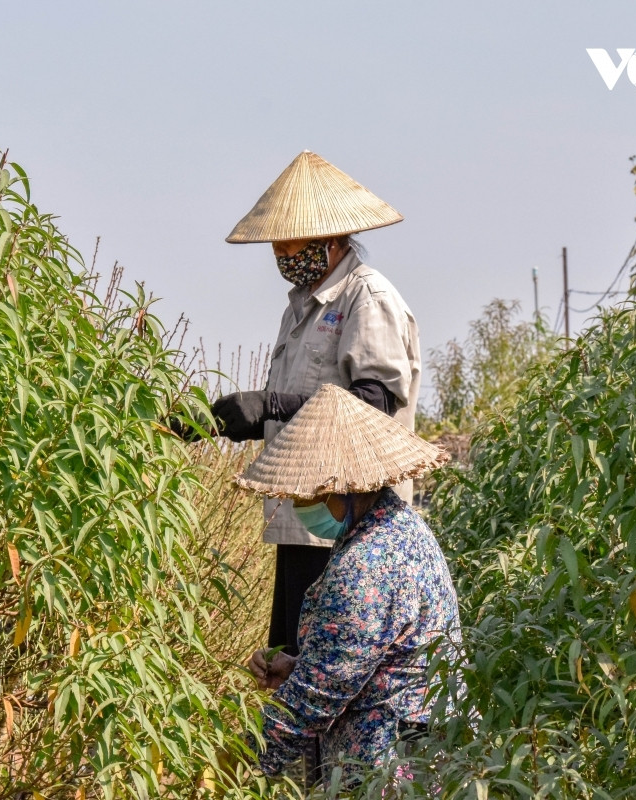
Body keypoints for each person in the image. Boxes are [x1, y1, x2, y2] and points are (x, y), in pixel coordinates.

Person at [213, 150, 422, 658]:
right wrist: (216, 420)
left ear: (330, 239)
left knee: (324, 676)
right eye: (277, 245)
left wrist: (271, 404)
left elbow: (372, 405)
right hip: (305, 518)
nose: (282, 254)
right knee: (287, 670)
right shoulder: (303, 307)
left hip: (347, 520)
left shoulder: (367, 299)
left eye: (292, 243)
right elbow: (289, 409)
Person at [233, 384, 463, 783]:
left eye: (308, 493)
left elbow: (314, 699)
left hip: (390, 764)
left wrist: (233, 764)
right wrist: (298, 666)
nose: (298, 503)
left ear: (345, 486)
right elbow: (367, 657)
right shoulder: (398, 525)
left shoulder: (366, 566)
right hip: (422, 750)